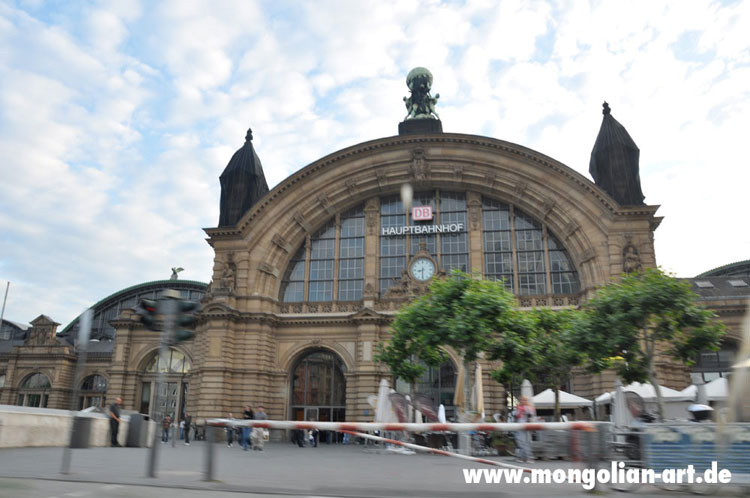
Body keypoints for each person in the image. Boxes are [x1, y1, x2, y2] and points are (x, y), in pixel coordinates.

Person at [513, 396, 536, 462]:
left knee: (527, 442)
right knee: (522, 442)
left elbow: (531, 416)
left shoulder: (528, 407)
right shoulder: (519, 408)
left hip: (526, 426)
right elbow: (516, 416)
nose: (523, 401)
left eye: (524, 400)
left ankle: (528, 457)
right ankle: (522, 457)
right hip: (520, 426)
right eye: (521, 400)